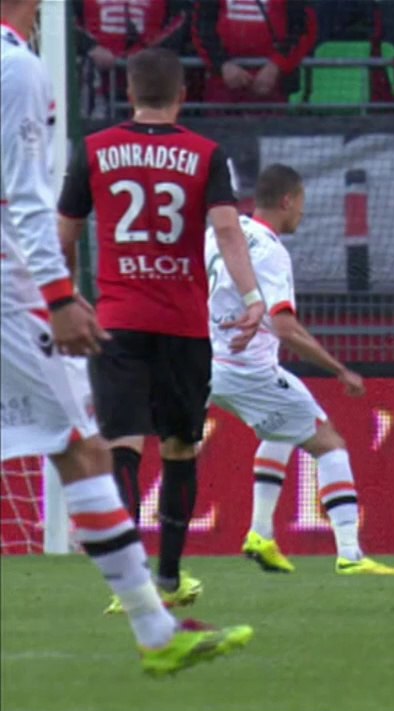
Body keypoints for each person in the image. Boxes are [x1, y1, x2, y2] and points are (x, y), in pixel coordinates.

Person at [2, 0, 252, 674]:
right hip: (116, 311)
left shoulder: (94, 147)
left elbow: (58, 221)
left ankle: (153, 622)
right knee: (99, 448)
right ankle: (157, 611)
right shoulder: (16, 69)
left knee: (96, 447)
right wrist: (57, 296)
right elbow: (25, 202)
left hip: (117, 311)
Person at [57, 47, 266, 613]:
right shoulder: (206, 154)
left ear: (129, 92)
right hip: (182, 324)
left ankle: (131, 585)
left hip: (118, 321)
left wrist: (63, 298)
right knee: (179, 447)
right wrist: (252, 297)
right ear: (180, 96)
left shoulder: (94, 150)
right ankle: (170, 577)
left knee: (122, 445)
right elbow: (227, 230)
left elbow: (64, 234)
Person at [205, 164, 394, 576]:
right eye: (302, 205)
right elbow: (285, 327)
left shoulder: (223, 233)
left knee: (283, 427)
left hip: (205, 363)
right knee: (328, 442)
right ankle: (350, 554)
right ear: (287, 201)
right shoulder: (273, 251)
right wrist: (339, 370)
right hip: (247, 371)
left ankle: (260, 533)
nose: (303, 215)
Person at [74, 0, 190, 118]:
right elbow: (62, 19)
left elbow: (182, 19)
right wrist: (91, 47)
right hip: (96, 76)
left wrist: (150, 52)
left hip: (150, 76)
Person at [192, 0, 318, 105]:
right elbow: (201, 26)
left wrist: (276, 66)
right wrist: (222, 65)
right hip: (222, 85)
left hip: (273, 85)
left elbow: (303, 28)